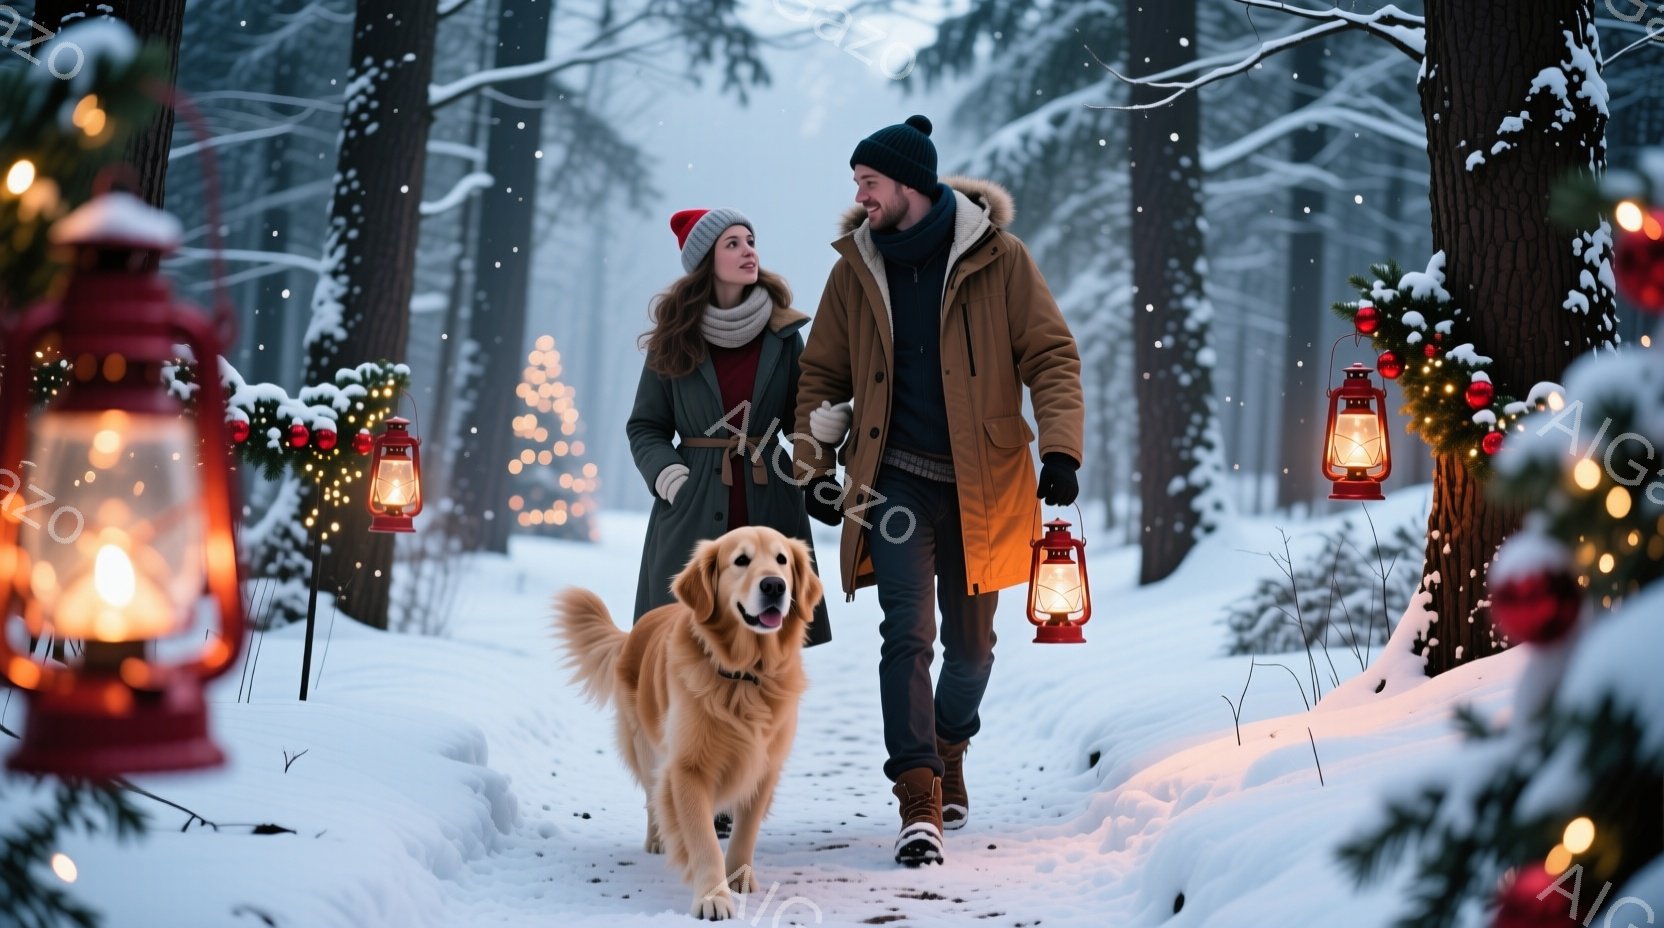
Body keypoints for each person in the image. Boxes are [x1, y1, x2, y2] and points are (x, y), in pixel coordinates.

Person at [793, 116, 1083, 866]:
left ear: (911, 186)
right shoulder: (854, 270)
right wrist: (814, 464)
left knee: (973, 652)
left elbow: (1051, 356)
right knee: (905, 636)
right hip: (891, 484)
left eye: (869, 182)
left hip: (982, 483)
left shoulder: (1000, 260)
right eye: (857, 183)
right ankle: (917, 795)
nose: (859, 196)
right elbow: (821, 375)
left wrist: (1060, 448)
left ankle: (951, 745)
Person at [628, 208, 832, 651]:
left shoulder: (782, 333)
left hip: (771, 500)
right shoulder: (675, 338)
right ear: (707, 261)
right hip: (693, 504)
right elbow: (646, 426)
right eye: (733, 243)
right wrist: (672, 479)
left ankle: (759, 724)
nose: (748, 252)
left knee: (771, 645)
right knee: (684, 643)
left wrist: (822, 436)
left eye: (751, 241)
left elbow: (803, 415)